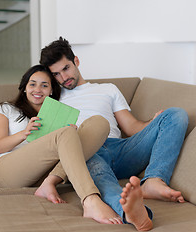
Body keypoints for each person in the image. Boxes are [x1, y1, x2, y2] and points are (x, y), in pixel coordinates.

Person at [38, 37, 189, 231]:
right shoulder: (52, 100)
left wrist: (155, 123)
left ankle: (154, 180)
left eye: (66, 68)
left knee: (176, 114)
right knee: (98, 172)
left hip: (121, 149)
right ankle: (131, 212)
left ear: (76, 61)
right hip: (87, 151)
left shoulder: (107, 89)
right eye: (56, 74)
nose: (63, 77)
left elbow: (132, 127)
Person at [0, 64, 115, 222]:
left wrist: (72, 136)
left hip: (45, 171)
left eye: (44, 85)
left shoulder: (58, 114)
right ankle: (90, 200)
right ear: (24, 88)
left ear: (52, 90)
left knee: (99, 122)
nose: (37, 89)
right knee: (65, 133)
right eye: (32, 84)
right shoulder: (6, 108)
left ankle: (49, 183)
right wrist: (24, 133)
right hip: (9, 171)